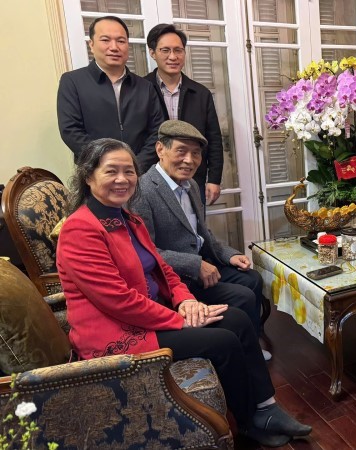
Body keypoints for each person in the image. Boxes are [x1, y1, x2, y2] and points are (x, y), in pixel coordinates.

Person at [55, 138, 311, 447]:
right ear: (88, 176)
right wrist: (182, 319)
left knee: (238, 319)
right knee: (223, 340)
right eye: (111, 171)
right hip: (117, 333)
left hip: (149, 314)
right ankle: (248, 422)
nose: (122, 179)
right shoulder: (80, 229)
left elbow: (163, 269)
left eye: (129, 171)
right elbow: (118, 302)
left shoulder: (128, 219)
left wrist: (187, 300)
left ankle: (266, 408)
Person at [130, 120, 267, 355]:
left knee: (252, 278)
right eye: (181, 151)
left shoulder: (191, 184)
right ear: (160, 149)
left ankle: (250, 342)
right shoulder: (143, 191)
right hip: (177, 278)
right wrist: (195, 265)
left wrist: (229, 255)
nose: (189, 160)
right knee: (243, 295)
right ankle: (242, 350)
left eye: (195, 153)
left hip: (201, 264)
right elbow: (147, 251)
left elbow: (202, 233)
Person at [57, 16, 164, 169]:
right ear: (91, 45)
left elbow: (156, 132)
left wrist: (135, 165)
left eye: (121, 41)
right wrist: (105, 162)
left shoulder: (145, 87)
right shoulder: (73, 81)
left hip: (139, 172)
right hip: (94, 171)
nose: (114, 47)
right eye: (105, 40)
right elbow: (71, 130)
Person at [144, 24, 224, 206]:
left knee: (194, 222)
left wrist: (214, 179)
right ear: (152, 53)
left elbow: (213, 138)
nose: (173, 57)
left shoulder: (201, 93)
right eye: (165, 50)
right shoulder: (141, 89)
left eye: (178, 50)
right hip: (152, 178)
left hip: (193, 177)